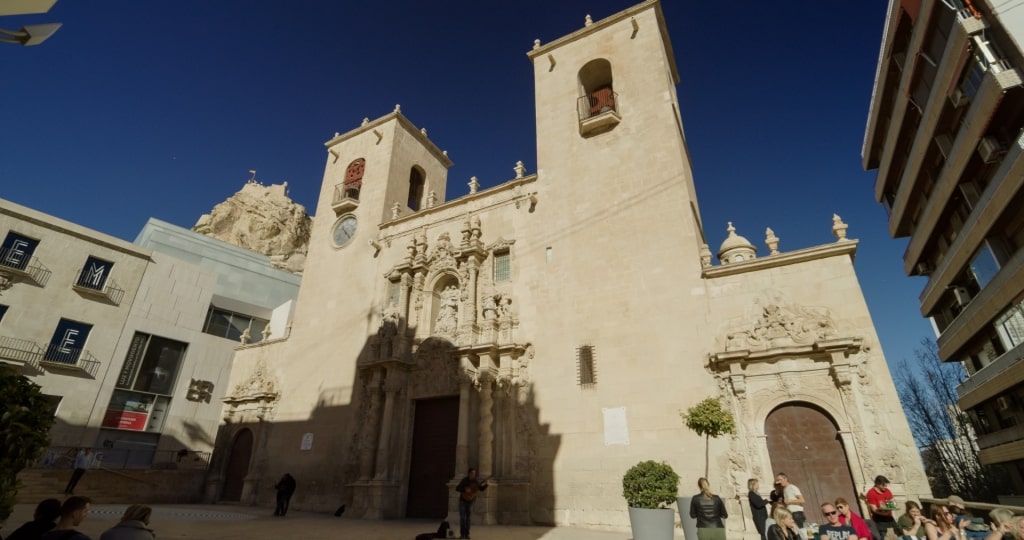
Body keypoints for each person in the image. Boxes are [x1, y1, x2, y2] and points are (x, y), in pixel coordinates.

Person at [455, 468, 488, 539]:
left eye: (474, 473)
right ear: (469, 473)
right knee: (462, 518)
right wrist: (465, 489)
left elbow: (481, 489)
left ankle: (467, 534)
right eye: (472, 473)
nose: (474, 474)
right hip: (463, 501)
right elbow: (457, 488)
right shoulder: (464, 480)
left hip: (470, 501)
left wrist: (485, 484)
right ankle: (462, 534)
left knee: (468, 518)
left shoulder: (475, 481)